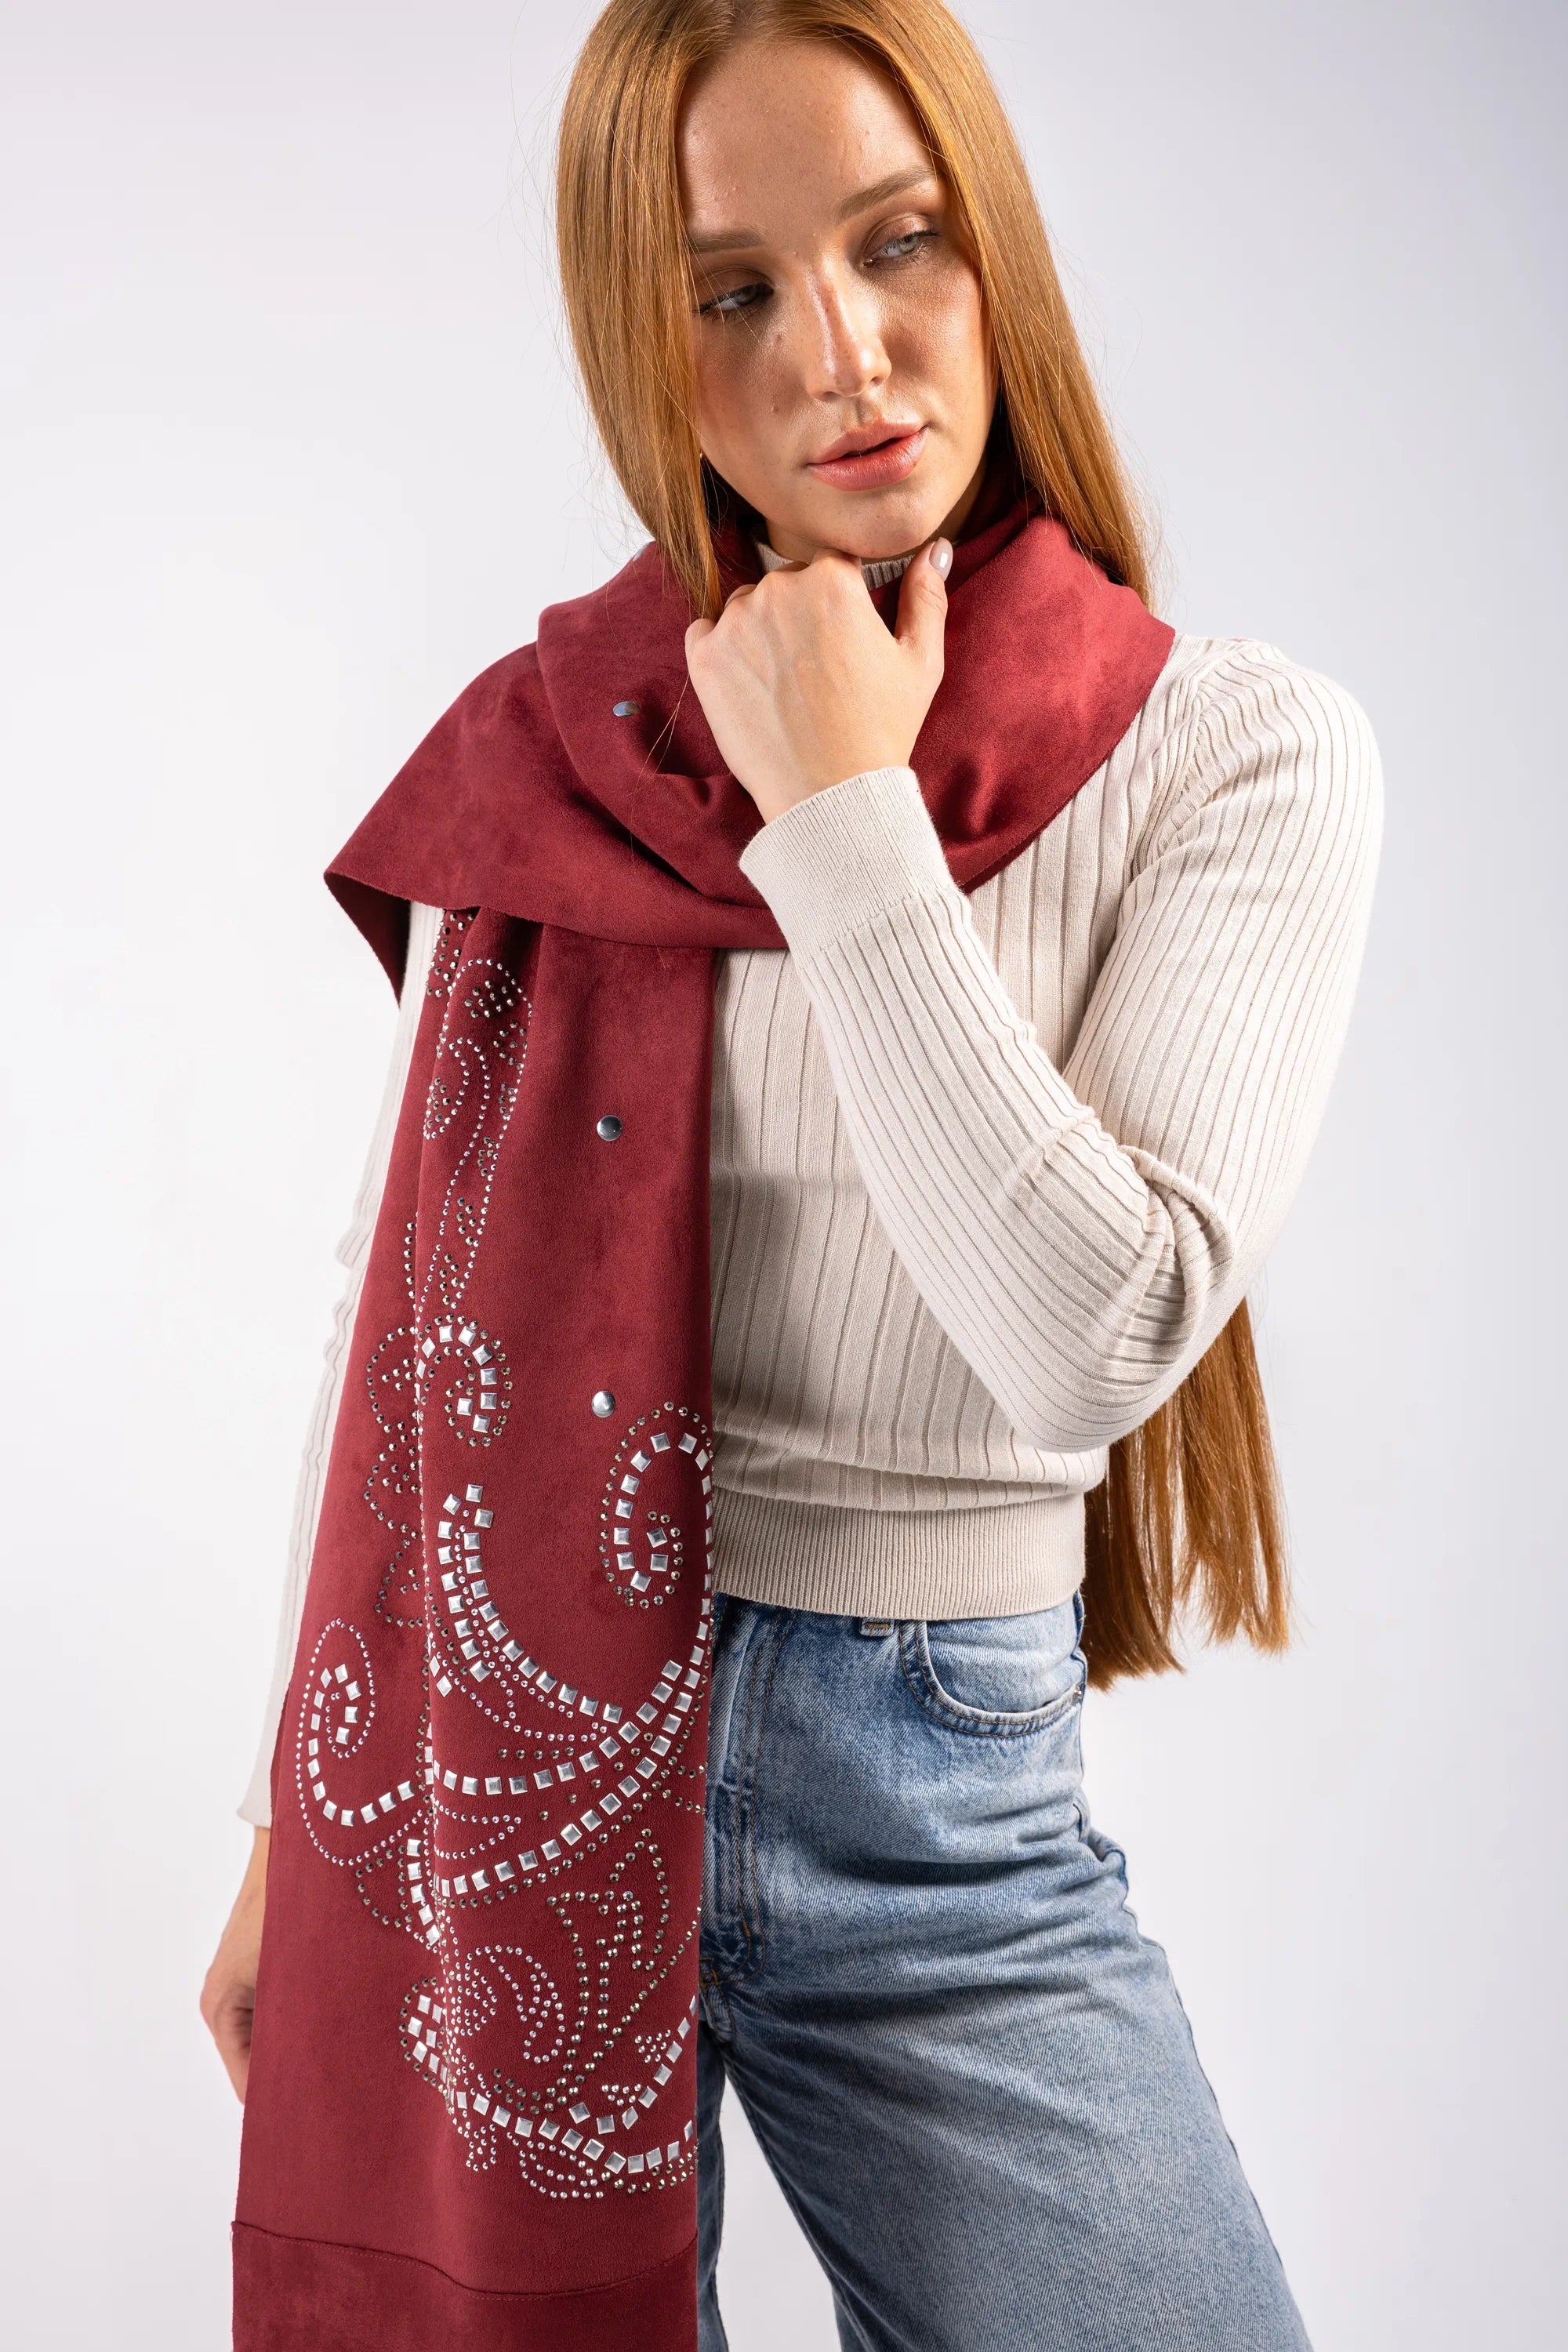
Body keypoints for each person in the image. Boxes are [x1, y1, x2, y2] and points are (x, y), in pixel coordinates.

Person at [204, 5, 1381, 2347]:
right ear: (649, 342)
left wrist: (844, 813)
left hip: (928, 1811)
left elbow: (1090, 1337)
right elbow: (403, 1323)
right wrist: (290, 1818)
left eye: (897, 241)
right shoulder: (560, 759)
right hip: (494, 1761)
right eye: (733, 288)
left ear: (995, 249)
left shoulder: (1230, 757)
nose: (839, 352)